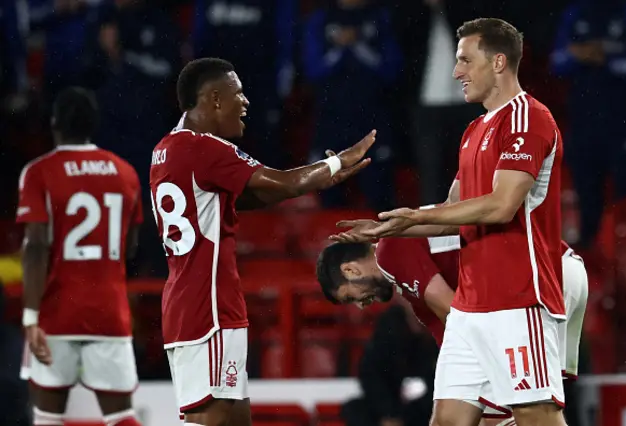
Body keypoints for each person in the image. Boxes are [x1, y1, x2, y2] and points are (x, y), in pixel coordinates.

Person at [333, 18, 567, 426]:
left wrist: (413, 217)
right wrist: (390, 225)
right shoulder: (474, 129)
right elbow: (451, 213)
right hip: (469, 309)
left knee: (537, 419)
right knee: (446, 422)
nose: (456, 71)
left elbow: (500, 207)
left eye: (464, 60)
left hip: (517, 298)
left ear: (498, 62)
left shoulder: (529, 118)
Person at [149, 57, 376, 426]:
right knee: (213, 417)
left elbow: (252, 196)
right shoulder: (203, 148)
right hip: (208, 307)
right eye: (238, 94)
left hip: (191, 301)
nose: (246, 103)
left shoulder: (167, 149)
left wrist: (316, 179)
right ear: (215, 99)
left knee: (237, 418)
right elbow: (283, 182)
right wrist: (334, 165)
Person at [316, 237, 589, 426]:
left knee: (533, 412)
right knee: (451, 417)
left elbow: (455, 314)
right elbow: (454, 352)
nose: (362, 305)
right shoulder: (411, 283)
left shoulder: (390, 248)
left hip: (535, 278)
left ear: (350, 270)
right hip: (546, 276)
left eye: (351, 296)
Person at [17, 87, 143, 426]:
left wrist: (30, 318)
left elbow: (37, 246)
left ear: (54, 122)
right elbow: (130, 247)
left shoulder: (39, 172)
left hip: (56, 312)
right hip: (109, 309)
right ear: (93, 124)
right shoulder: (125, 173)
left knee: (47, 418)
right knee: (121, 416)